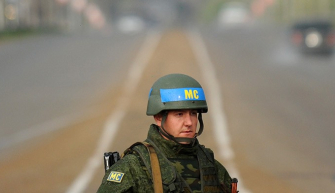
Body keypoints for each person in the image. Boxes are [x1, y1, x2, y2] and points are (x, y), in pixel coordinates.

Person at [96, 73, 236, 193]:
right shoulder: (134, 166)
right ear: (158, 117)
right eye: (179, 114)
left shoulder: (210, 164)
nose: (189, 122)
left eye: (193, 113)